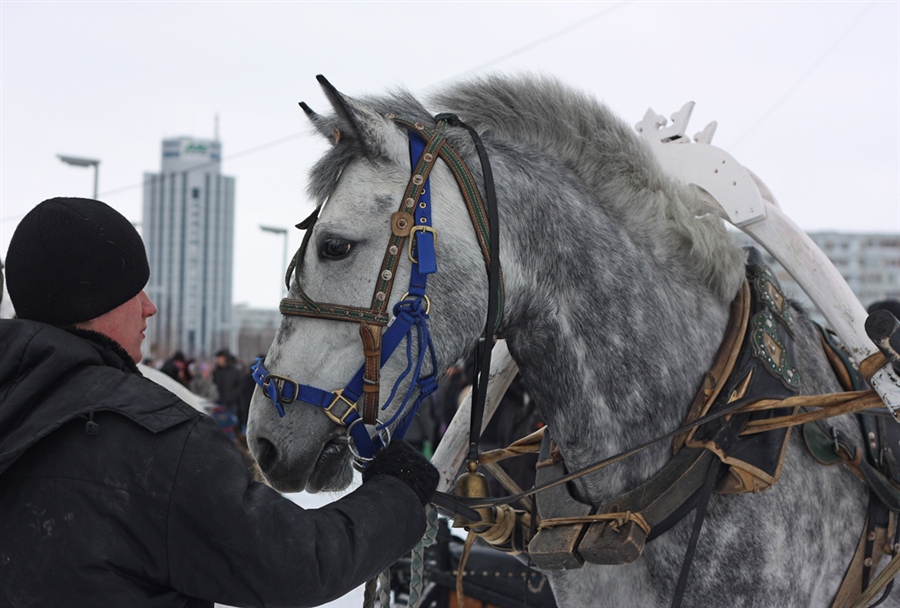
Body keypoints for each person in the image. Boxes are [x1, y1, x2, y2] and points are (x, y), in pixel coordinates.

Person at [0, 197, 438, 608]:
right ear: (92, 300)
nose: (149, 308)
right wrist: (398, 493)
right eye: (134, 291)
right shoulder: (152, 442)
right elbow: (294, 562)